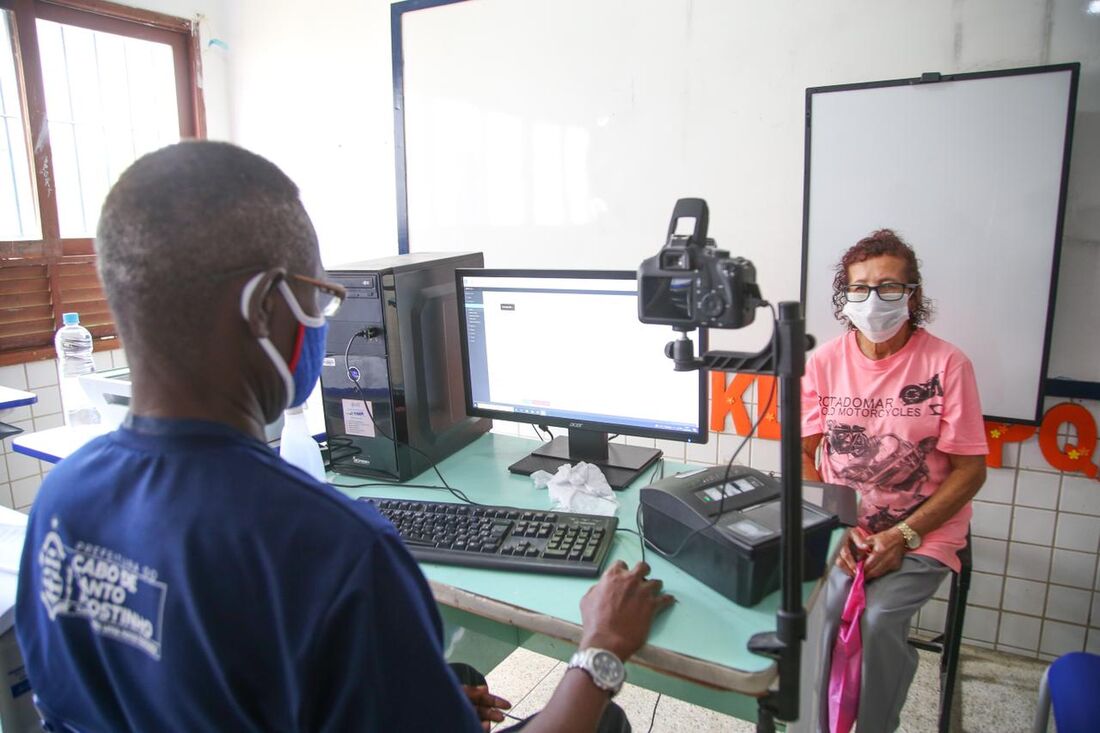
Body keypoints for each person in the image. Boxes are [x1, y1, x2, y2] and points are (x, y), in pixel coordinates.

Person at [16, 141, 674, 732]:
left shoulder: (61, 500)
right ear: (266, 306)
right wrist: (601, 649)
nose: (326, 325)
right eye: (320, 298)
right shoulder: (336, 552)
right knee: (603, 714)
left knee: (456, 677)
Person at [800, 229, 987, 732]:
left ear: (912, 296)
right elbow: (803, 453)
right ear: (845, 298)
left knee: (878, 621)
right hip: (843, 530)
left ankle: (878, 723)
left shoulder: (947, 365)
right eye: (859, 288)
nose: (872, 299)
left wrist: (903, 535)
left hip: (922, 533)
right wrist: (833, 524)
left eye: (887, 287)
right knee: (815, 616)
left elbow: (971, 471)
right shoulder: (823, 362)